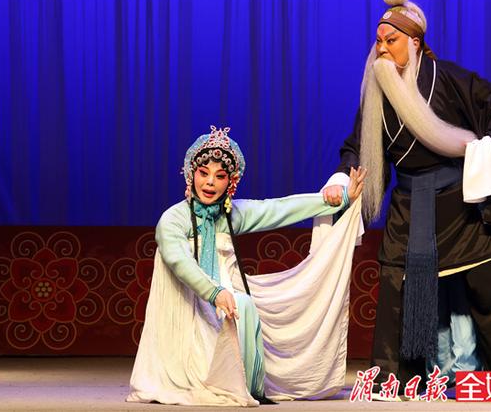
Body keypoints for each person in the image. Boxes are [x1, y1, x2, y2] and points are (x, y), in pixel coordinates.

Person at [322, 0, 491, 406]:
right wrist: (343, 176)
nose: (381, 49)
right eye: (378, 41)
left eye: (391, 40)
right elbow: (356, 146)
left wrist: (486, 150)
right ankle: (394, 380)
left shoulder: (447, 78)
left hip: (459, 207)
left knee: (489, 290)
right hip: (409, 207)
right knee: (396, 289)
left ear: (414, 43)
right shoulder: (377, 95)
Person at [128, 126, 365, 406]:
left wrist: (334, 200)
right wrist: (214, 292)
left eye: (220, 176)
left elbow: (276, 209)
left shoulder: (230, 214)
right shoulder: (173, 219)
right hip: (187, 303)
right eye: (203, 173)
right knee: (234, 307)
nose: (210, 183)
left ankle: (240, 382)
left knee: (246, 306)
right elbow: (180, 262)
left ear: (231, 182)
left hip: (221, 296)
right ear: (191, 175)